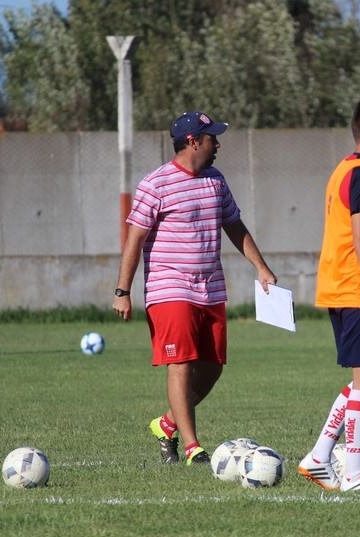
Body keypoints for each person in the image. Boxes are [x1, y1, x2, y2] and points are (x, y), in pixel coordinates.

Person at [112, 111, 276, 466]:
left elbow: (234, 225)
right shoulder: (155, 184)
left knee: (213, 366)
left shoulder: (216, 180)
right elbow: (134, 239)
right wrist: (122, 291)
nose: (217, 144)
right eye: (211, 138)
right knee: (181, 363)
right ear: (192, 142)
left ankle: (167, 423)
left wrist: (261, 267)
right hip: (169, 287)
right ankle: (192, 447)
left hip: (211, 287)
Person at [297, 99, 360, 493]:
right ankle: (354, 473)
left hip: (341, 288)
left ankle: (320, 457)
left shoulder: (343, 169)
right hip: (358, 290)